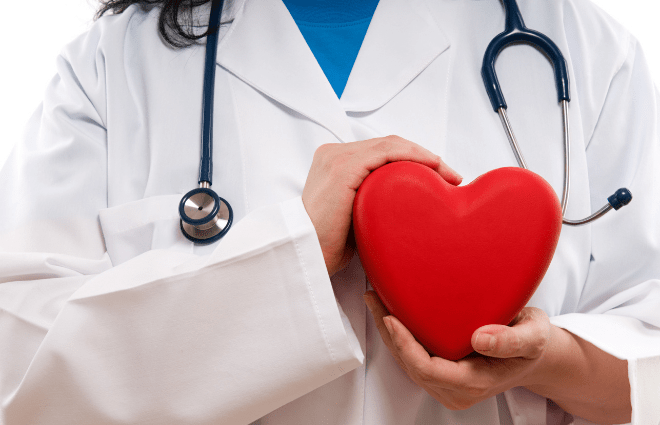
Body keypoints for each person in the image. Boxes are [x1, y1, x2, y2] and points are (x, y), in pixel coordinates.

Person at [0, 0, 658, 423]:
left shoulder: (586, 49)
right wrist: (293, 250)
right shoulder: (109, 66)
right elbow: (21, 380)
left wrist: (554, 361)